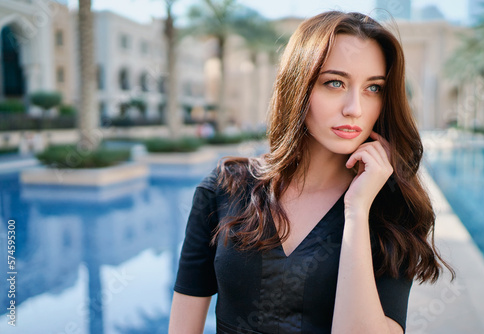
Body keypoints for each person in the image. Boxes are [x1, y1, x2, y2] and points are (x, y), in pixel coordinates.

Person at [169, 10, 454, 334]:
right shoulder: (225, 188)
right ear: (298, 84)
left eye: (373, 88)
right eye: (335, 82)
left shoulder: (392, 209)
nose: (354, 108)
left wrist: (357, 212)